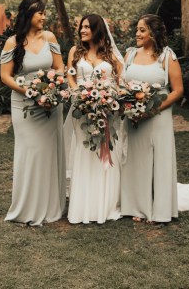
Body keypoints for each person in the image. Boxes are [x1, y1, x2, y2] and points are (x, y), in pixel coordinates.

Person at [121, 14, 189, 223]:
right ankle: (137, 207)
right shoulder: (130, 54)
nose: (137, 33)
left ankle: (159, 209)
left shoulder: (167, 56)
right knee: (135, 160)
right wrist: (129, 104)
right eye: (137, 29)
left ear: (154, 32)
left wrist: (152, 109)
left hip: (158, 115)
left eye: (142, 30)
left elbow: (178, 90)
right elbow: (123, 84)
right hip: (133, 116)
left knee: (158, 161)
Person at [0, 0, 66, 226]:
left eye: (45, 12)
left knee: (48, 152)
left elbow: (59, 68)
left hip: (50, 105)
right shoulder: (13, 42)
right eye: (40, 13)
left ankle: (50, 206)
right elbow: (5, 76)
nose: (44, 17)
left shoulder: (50, 38)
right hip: (24, 104)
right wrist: (30, 92)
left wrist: (52, 90)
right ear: (28, 15)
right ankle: (26, 207)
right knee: (30, 152)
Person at [65, 14, 124, 224]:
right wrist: (78, 94)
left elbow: (120, 80)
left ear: (98, 29)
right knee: (84, 149)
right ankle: (83, 205)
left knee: (103, 150)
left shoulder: (110, 55)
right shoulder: (75, 52)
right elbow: (70, 75)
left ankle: (104, 204)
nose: (82, 30)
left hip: (105, 110)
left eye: (87, 27)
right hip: (81, 109)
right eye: (81, 27)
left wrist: (109, 98)